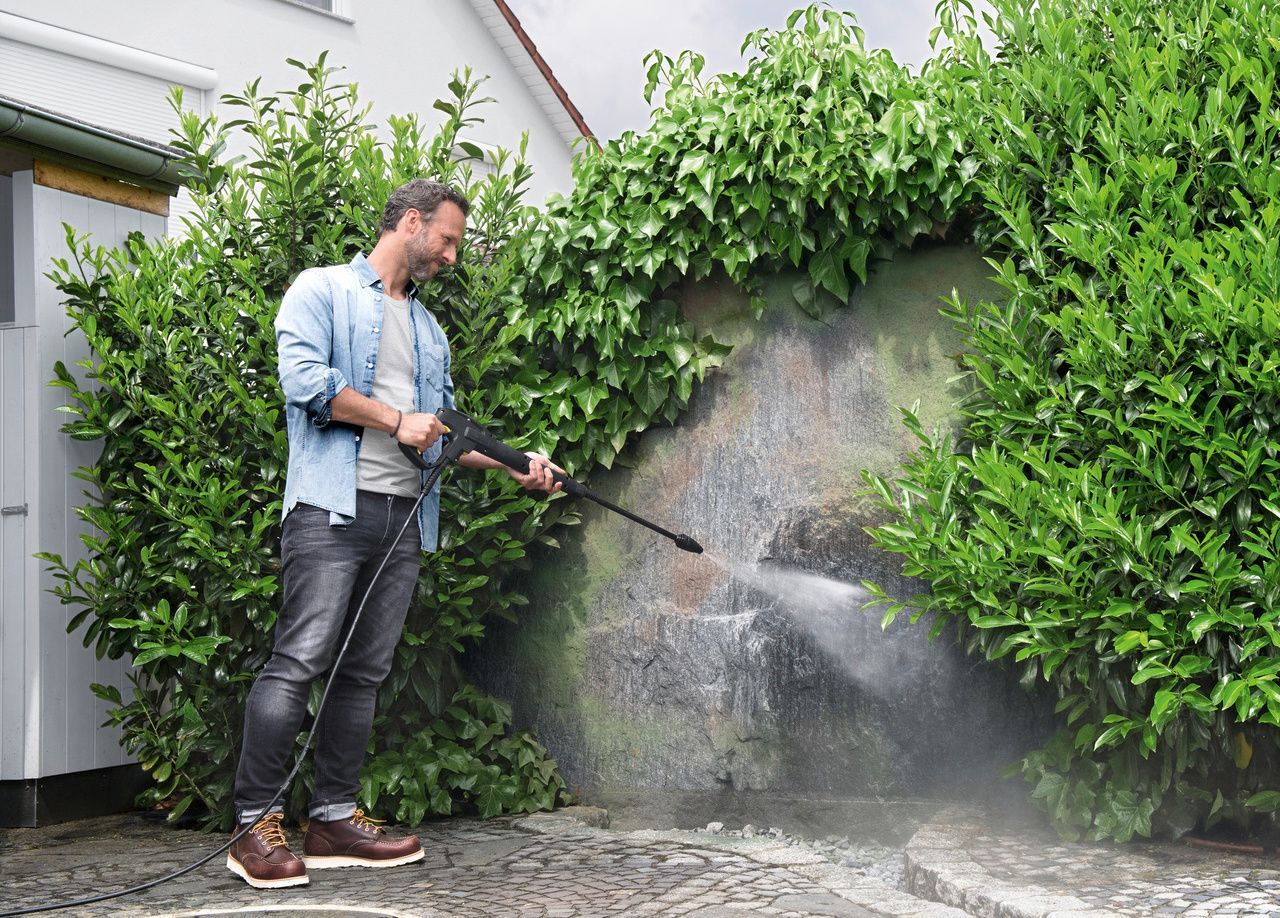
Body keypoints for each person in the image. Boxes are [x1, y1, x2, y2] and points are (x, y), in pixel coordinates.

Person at [227, 179, 561, 889]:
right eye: (445, 239)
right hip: (330, 510)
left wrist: (514, 466)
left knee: (363, 673)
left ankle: (332, 818)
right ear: (412, 222)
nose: (450, 255)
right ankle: (254, 825)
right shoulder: (321, 291)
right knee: (299, 661)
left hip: (401, 516)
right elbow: (304, 381)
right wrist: (391, 419)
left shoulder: (430, 330)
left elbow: (437, 434)